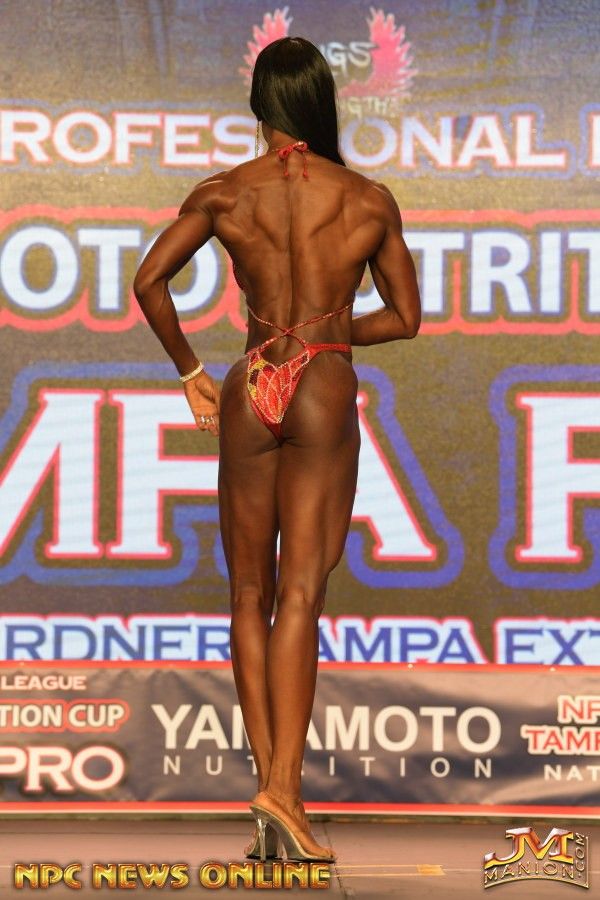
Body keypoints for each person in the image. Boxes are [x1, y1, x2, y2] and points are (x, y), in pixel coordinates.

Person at [133, 36, 420, 863]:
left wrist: (191, 372)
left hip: (251, 380)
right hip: (322, 383)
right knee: (300, 592)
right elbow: (406, 317)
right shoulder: (365, 199)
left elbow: (149, 282)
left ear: (259, 107)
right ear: (321, 102)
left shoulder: (226, 192)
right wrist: (331, 335)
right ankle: (286, 793)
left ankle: (270, 792)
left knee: (248, 593)